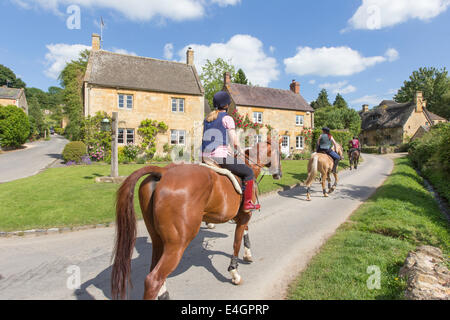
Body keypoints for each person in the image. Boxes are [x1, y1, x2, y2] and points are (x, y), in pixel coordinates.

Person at [201, 91, 260, 212]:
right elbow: (235, 142)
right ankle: (247, 203)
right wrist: (240, 151)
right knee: (249, 172)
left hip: (204, 157)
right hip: (219, 157)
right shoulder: (227, 118)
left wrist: (226, 146)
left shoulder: (207, 119)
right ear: (227, 105)